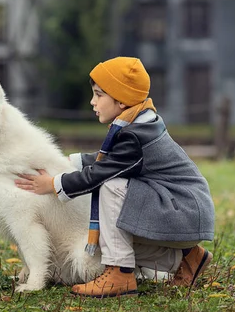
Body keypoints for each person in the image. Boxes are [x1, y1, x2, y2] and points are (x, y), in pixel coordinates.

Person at [15, 57, 215, 298]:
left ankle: (119, 273)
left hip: (182, 210)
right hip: (180, 210)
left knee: (111, 186)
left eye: (99, 95)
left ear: (121, 99)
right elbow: (110, 160)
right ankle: (188, 258)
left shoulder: (135, 135)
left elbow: (102, 173)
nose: (92, 101)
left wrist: (54, 184)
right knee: (105, 242)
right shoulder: (140, 122)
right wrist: (71, 162)